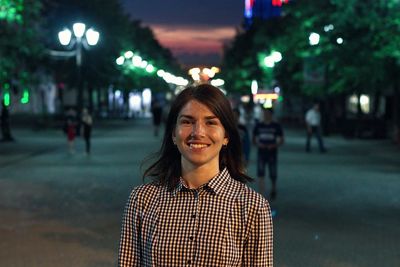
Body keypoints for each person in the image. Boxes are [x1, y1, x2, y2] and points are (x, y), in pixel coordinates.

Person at [118, 84, 273, 266]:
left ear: (226, 136)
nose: (198, 132)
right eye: (187, 121)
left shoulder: (252, 207)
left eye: (211, 122)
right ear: (173, 135)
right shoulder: (143, 200)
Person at [252, 107, 284, 201]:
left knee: (273, 172)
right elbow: (254, 139)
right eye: (264, 113)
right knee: (261, 172)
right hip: (261, 152)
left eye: (267, 113)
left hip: (272, 152)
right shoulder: (259, 125)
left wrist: (274, 145)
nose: (266, 115)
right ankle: (262, 193)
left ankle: (274, 188)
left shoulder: (276, 125)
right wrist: (259, 144)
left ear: (271, 115)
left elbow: (281, 139)